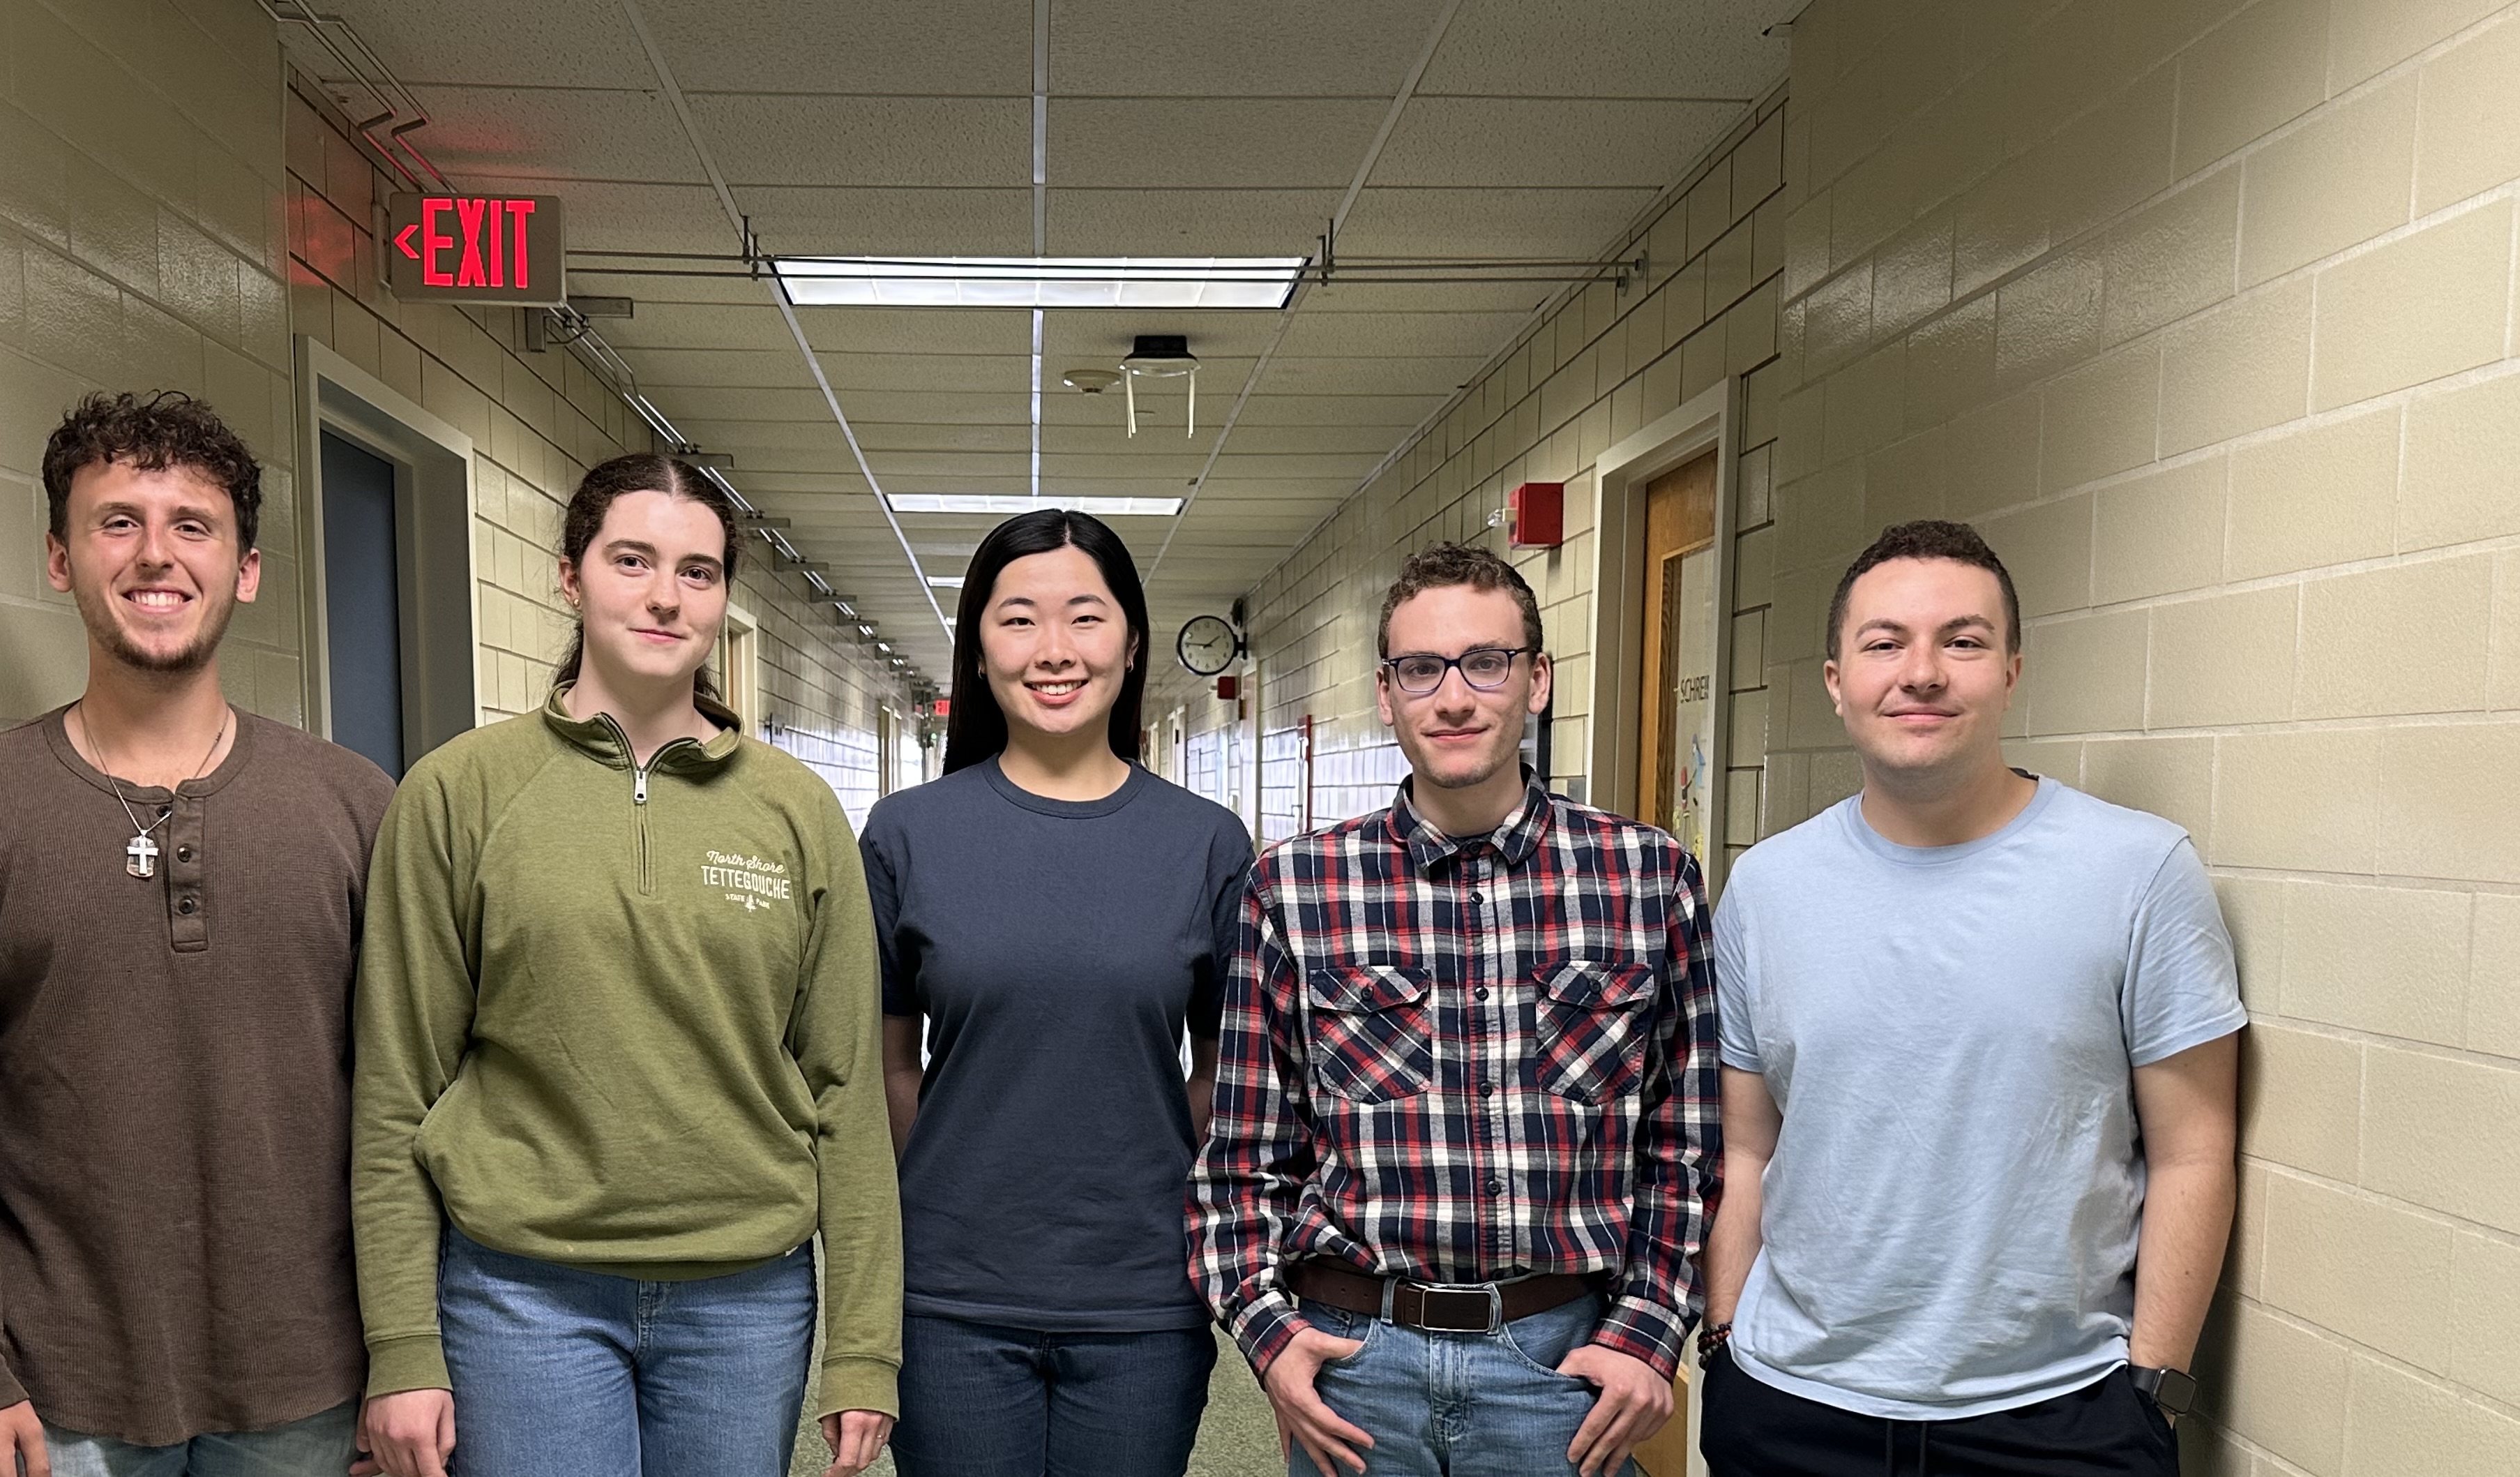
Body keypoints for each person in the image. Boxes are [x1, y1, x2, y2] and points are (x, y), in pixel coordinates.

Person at [0, 391, 393, 1477]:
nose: (156, 555)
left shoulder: (354, 806)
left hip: (311, 1381)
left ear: (248, 568)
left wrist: (409, 1353)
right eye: (118, 521)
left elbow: (403, 1101)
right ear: (60, 558)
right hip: (58, 1393)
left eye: (192, 524)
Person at [349, 452, 898, 1477]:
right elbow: (396, 1088)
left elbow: (845, 1091)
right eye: (631, 559)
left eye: (697, 571)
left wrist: (863, 1345)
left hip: (746, 1297)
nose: (663, 596)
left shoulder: (796, 810)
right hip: (522, 1295)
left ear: (724, 596)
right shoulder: (457, 792)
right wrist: (401, 1345)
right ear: (570, 575)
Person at [1696, 520, 2244, 1476]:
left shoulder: (2138, 870)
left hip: (2056, 1417)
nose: (1922, 672)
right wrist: (1723, 1339)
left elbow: (2193, 1148)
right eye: (1883, 642)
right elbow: (1748, 1147)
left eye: (1961, 640)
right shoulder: (1765, 887)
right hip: (1791, 1410)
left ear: (2009, 669)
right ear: (1835, 680)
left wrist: (2151, 1387)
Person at [1191, 542, 1718, 1477]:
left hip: (1560, 1363)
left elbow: (1682, 1144)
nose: (1455, 696)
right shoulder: (1296, 886)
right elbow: (1242, 1157)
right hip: (1356, 1362)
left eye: (1487, 661)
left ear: (1537, 680)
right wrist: (1268, 1335)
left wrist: (1649, 1328)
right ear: (1386, 693)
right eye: (1420, 668)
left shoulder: (1646, 876)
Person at [862, 511, 1253, 1477]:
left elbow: (1229, 1066)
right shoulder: (907, 833)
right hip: (950, 1293)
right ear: (978, 648)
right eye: (1017, 619)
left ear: (1128, 641)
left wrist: (1160, 1174)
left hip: (1141, 1295)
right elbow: (882, 1060)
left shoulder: (1204, 842)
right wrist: (955, 1189)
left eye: (1084, 617)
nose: (1053, 651)